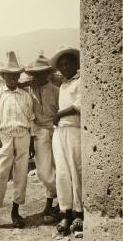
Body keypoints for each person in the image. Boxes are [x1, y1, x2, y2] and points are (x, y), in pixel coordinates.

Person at [0, 51, 35, 233]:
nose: (12, 78)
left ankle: (15, 212)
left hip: (23, 137)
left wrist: (32, 141)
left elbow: (31, 118)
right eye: (9, 74)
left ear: (19, 76)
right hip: (3, 138)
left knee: (21, 174)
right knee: (0, 174)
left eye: (15, 75)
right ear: (3, 76)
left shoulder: (25, 96)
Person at [50, 47, 83, 235]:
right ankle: (66, 211)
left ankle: (79, 212)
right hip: (59, 132)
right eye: (61, 65)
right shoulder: (62, 86)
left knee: (76, 170)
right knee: (62, 172)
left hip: (74, 131)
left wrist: (59, 114)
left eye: (67, 63)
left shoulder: (81, 82)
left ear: (75, 64)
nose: (64, 67)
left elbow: (79, 105)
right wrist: (57, 119)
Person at [25, 53, 59, 223]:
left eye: (41, 73)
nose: (37, 77)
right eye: (34, 74)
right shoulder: (29, 91)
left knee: (59, 167)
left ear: (47, 73)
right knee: (44, 172)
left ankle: (51, 204)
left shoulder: (56, 91)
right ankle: (67, 195)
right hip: (38, 133)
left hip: (56, 131)